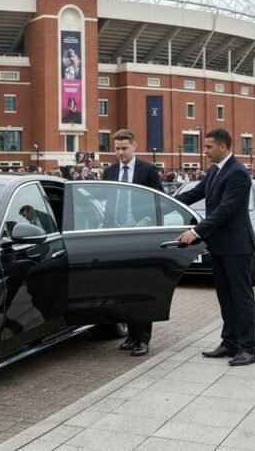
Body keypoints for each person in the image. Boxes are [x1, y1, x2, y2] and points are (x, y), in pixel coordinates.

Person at [175, 128, 255, 367]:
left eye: (209, 146)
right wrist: (163, 202)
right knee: (225, 297)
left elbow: (225, 210)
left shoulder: (238, 173)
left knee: (241, 299)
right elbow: (194, 193)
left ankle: (248, 348)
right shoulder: (214, 171)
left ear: (223, 147)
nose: (205, 150)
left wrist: (195, 231)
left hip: (237, 247)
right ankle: (229, 343)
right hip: (220, 246)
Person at [101, 129, 163, 357]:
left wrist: (145, 221)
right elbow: (107, 203)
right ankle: (130, 335)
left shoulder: (148, 171)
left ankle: (143, 339)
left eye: (124, 148)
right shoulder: (110, 171)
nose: (120, 153)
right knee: (123, 287)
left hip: (141, 235)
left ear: (134, 146)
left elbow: (159, 201)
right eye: (116, 148)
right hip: (116, 237)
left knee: (140, 287)